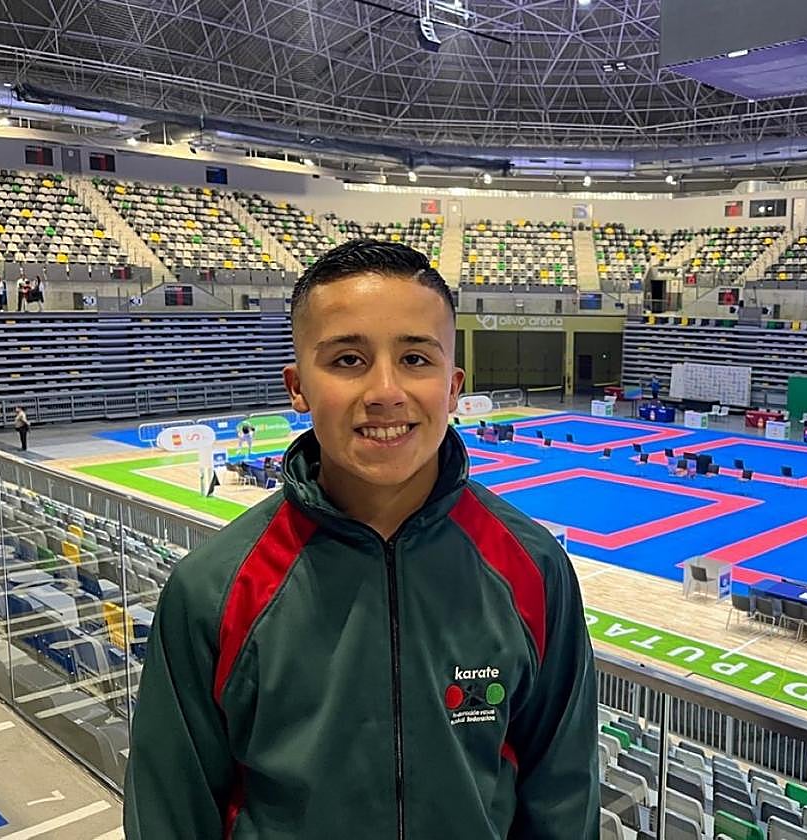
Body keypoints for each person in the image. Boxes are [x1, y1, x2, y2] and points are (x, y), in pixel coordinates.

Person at [124, 239, 599, 839]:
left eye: (416, 360)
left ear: (453, 388)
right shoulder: (214, 590)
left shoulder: (533, 570)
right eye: (348, 360)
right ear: (298, 386)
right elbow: (170, 815)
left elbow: (563, 795)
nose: (385, 391)